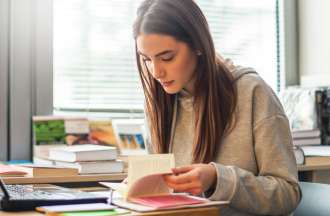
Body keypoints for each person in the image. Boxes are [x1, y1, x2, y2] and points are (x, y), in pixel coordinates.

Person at [132, 0, 301, 215]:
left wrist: (218, 179)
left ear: (198, 45)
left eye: (167, 57)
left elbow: (287, 194)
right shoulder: (159, 105)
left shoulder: (252, 93)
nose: (156, 72)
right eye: (146, 59)